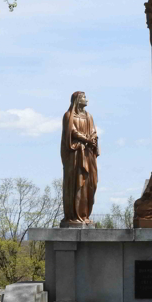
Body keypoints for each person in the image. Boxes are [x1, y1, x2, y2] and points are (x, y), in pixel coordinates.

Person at [60, 91, 99, 226]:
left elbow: (93, 131)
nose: (86, 99)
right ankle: (73, 215)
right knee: (77, 182)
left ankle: (85, 214)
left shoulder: (89, 116)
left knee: (90, 183)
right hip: (76, 154)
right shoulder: (68, 115)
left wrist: (92, 139)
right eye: (83, 97)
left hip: (88, 153)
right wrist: (86, 138)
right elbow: (72, 131)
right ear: (77, 100)